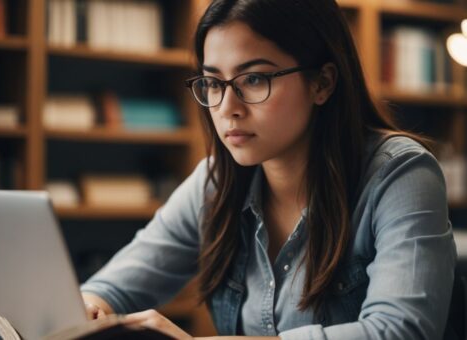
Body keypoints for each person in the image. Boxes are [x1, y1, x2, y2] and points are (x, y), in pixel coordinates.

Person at [80, 0, 458, 339]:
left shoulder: (401, 174)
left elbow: (400, 331)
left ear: (322, 83)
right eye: (213, 83)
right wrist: (90, 305)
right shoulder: (215, 182)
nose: (227, 108)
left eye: (254, 78)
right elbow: (113, 288)